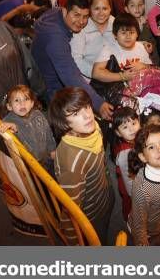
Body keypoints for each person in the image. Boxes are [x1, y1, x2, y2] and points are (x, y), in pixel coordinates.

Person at [47, 87, 114, 245]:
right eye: (76, 114)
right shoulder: (72, 162)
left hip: (105, 196)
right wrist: (75, 242)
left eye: (87, 107)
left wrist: (109, 186)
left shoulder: (93, 127)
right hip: (92, 217)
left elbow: (102, 161)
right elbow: (70, 210)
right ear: (64, 123)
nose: (87, 115)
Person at [32, 0, 114, 120]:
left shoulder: (56, 15)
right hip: (50, 89)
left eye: (85, 16)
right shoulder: (55, 36)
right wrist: (99, 104)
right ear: (65, 11)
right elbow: (70, 76)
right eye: (76, 15)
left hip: (51, 79)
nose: (81, 21)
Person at [127, 124, 160, 245]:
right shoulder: (142, 189)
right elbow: (139, 224)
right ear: (142, 157)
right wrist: (142, 242)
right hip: (150, 232)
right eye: (151, 147)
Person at [3, 84, 56, 173]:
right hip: (28, 165)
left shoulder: (38, 114)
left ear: (32, 103)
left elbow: (48, 133)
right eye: (17, 100)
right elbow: (11, 146)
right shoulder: (8, 122)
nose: (22, 103)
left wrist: (52, 149)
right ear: (9, 106)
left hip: (46, 158)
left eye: (26, 99)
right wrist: (14, 130)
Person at [92, 13, 151, 83]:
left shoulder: (141, 47)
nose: (128, 36)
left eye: (131, 32)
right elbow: (96, 73)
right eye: (123, 33)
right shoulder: (109, 49)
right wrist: (122, 76)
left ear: (137, 34)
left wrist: (144, 66)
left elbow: (153, 68)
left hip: (142, 88)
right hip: (117, 90)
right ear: (115, 35)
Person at [70, 0, 116, 80]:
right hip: (89, 79)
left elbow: (126, 42)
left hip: (115, 75)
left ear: (110, 9)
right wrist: (97, 73)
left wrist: (141, 44)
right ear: (90, 9)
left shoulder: (116, 24)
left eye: (105, 8)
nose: (101, 13)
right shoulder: (81, 27)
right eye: (96, 8)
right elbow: (76, 59)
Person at [111, 106, 141, 221]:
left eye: (134, 123)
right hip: (134, 194)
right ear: (118, 133)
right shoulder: (125, 154)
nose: (132, 129)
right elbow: (130, 189)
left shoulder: (137, 141)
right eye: (125, 127)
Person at [124, 0, 159, 64]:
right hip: (134, 62)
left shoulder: (147, 23)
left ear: (144, 6)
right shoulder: (124, 26)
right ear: (126, 9)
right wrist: (141, 44)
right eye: (132, 5)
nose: (137, 8)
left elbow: (153, 41)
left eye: (140, 5)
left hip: (151, 61)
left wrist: (151, 46)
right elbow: (123, 44)